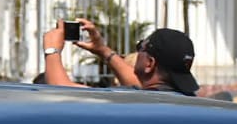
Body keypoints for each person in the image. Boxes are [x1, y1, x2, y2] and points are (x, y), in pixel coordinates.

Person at [43, 19, 200, 96]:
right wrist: (103, 50)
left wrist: (52, 50)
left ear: (149, 64)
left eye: (141, 48)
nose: (137, 52)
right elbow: (138, 82)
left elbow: (61, 89)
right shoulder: (190, 101)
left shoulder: (130, 102)